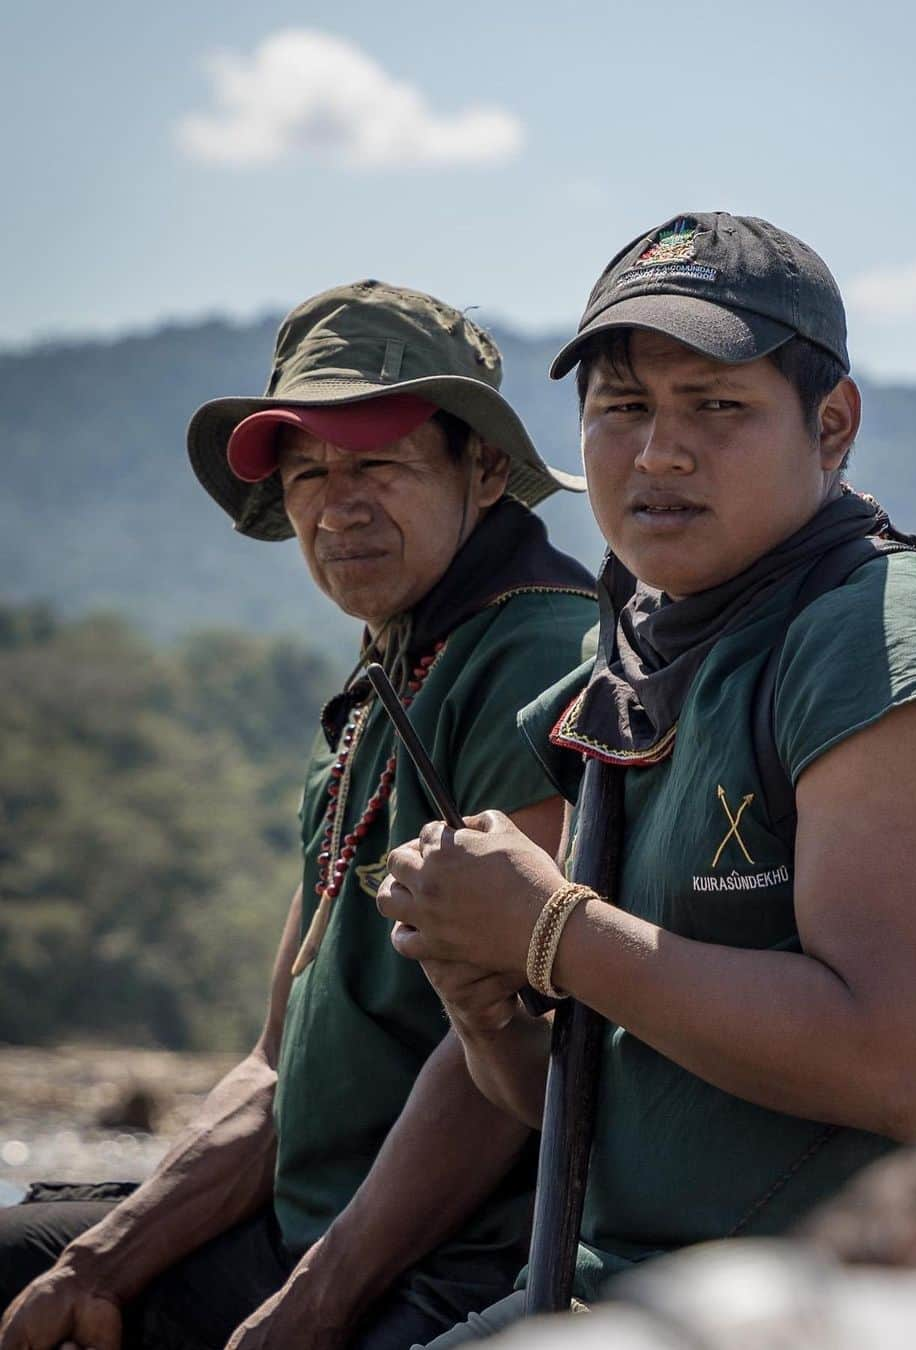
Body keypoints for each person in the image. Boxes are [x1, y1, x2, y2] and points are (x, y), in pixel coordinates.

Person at [375, 213, 916, 1343]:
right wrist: (484, 985)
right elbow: (570, 1098)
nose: (658, 453)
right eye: (623, 408)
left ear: (832, 425)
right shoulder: (637, 649)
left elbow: (898, 1065)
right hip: (622, 1286)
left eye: (717, 407)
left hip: (878, 1303)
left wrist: (552, 929)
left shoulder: (888, 644)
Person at [0, 282, 598, 1349]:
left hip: (449, 1262)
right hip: (306, 1226)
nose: (339, 504)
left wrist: (314, 1303)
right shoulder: (388, 679)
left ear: (487, 470)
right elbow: (278, 1058)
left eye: (379, 463)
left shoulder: (536, 658)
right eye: (310, 473)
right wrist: (100, 1260)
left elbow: (500, 1052)